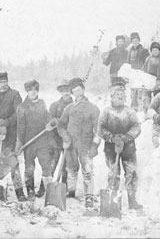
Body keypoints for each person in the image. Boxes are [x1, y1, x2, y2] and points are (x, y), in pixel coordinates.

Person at [0, 72, 27, 202]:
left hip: (10, 136)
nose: (4, 84)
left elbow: (18, 113)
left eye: (5, 82)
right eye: (1, 82)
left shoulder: (15, 94)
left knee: (13, 164)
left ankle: (20, 192)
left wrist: (6, 123)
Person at [57, 78, 100, 208]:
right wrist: (65, 137)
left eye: (79, 90)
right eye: (74, 91)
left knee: (87, 170)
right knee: (71, 169)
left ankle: (88, 196)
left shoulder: (93, 108)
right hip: (71, 145)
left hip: (85, 145)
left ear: (84, 90)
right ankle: (71, 192)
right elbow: (61, 126)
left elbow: (98, 130)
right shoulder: (69, 108)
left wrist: (94, 146)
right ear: (72, 93)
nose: (77, 93)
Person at [97, 86, 143, 210]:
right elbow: (100, 129)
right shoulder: (106, 112)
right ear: (112, 97)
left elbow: (137, 127)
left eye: (122, 95)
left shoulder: (130, 111)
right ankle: (113, 203)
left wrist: (126, 137)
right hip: (111, 149)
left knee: (131, 174)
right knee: (113, 174)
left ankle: (132, 201)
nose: (121, 97)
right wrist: (112, 138)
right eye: (118, 95)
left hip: (128, 148)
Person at [16, 79, 59, 201]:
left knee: (46, 166)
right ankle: (30, 191)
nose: (33, 92)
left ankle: (50, 193)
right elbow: (20, 127)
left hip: (42, 140)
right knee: (29, 167)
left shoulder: (42, 103)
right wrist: (20, 142)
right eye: (30, 90)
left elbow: (47, 117)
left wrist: (51, 122)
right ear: (27, 92)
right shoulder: (22, 107)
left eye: (35, 90)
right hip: (29, 142)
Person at [35, 80, 73, 198]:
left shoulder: (75, 105)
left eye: (68, 90)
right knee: (50, 165)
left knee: (67, 166)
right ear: (60, 92)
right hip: (55, 140)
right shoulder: (55, 105)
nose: (66, 92)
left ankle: (65, 189)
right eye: (63, 90)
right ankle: (43, 188)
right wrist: (52, 122)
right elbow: (48, 121)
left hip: (69, 139)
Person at [126, 32, 150, 111]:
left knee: (140, 92)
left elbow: (147, 62)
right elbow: (128, 63)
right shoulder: (130, 51)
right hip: (133, 75)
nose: (135, 43)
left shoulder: (144, 50)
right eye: (133, 41)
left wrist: (143, 72)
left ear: (139, 41)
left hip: (141, 74)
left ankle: (141, 110)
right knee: (133, 93)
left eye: (136, 40)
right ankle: (133, 109)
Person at [142, 42, 160, 111]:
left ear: (159, 51)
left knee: (158, 99)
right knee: (146, 98)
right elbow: (144, 69)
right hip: (148, 81)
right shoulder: (148, 59)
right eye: (153, 50)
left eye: (156, 50)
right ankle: (147, 111)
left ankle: (158, 113)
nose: (155, 52)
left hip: (158, 82)